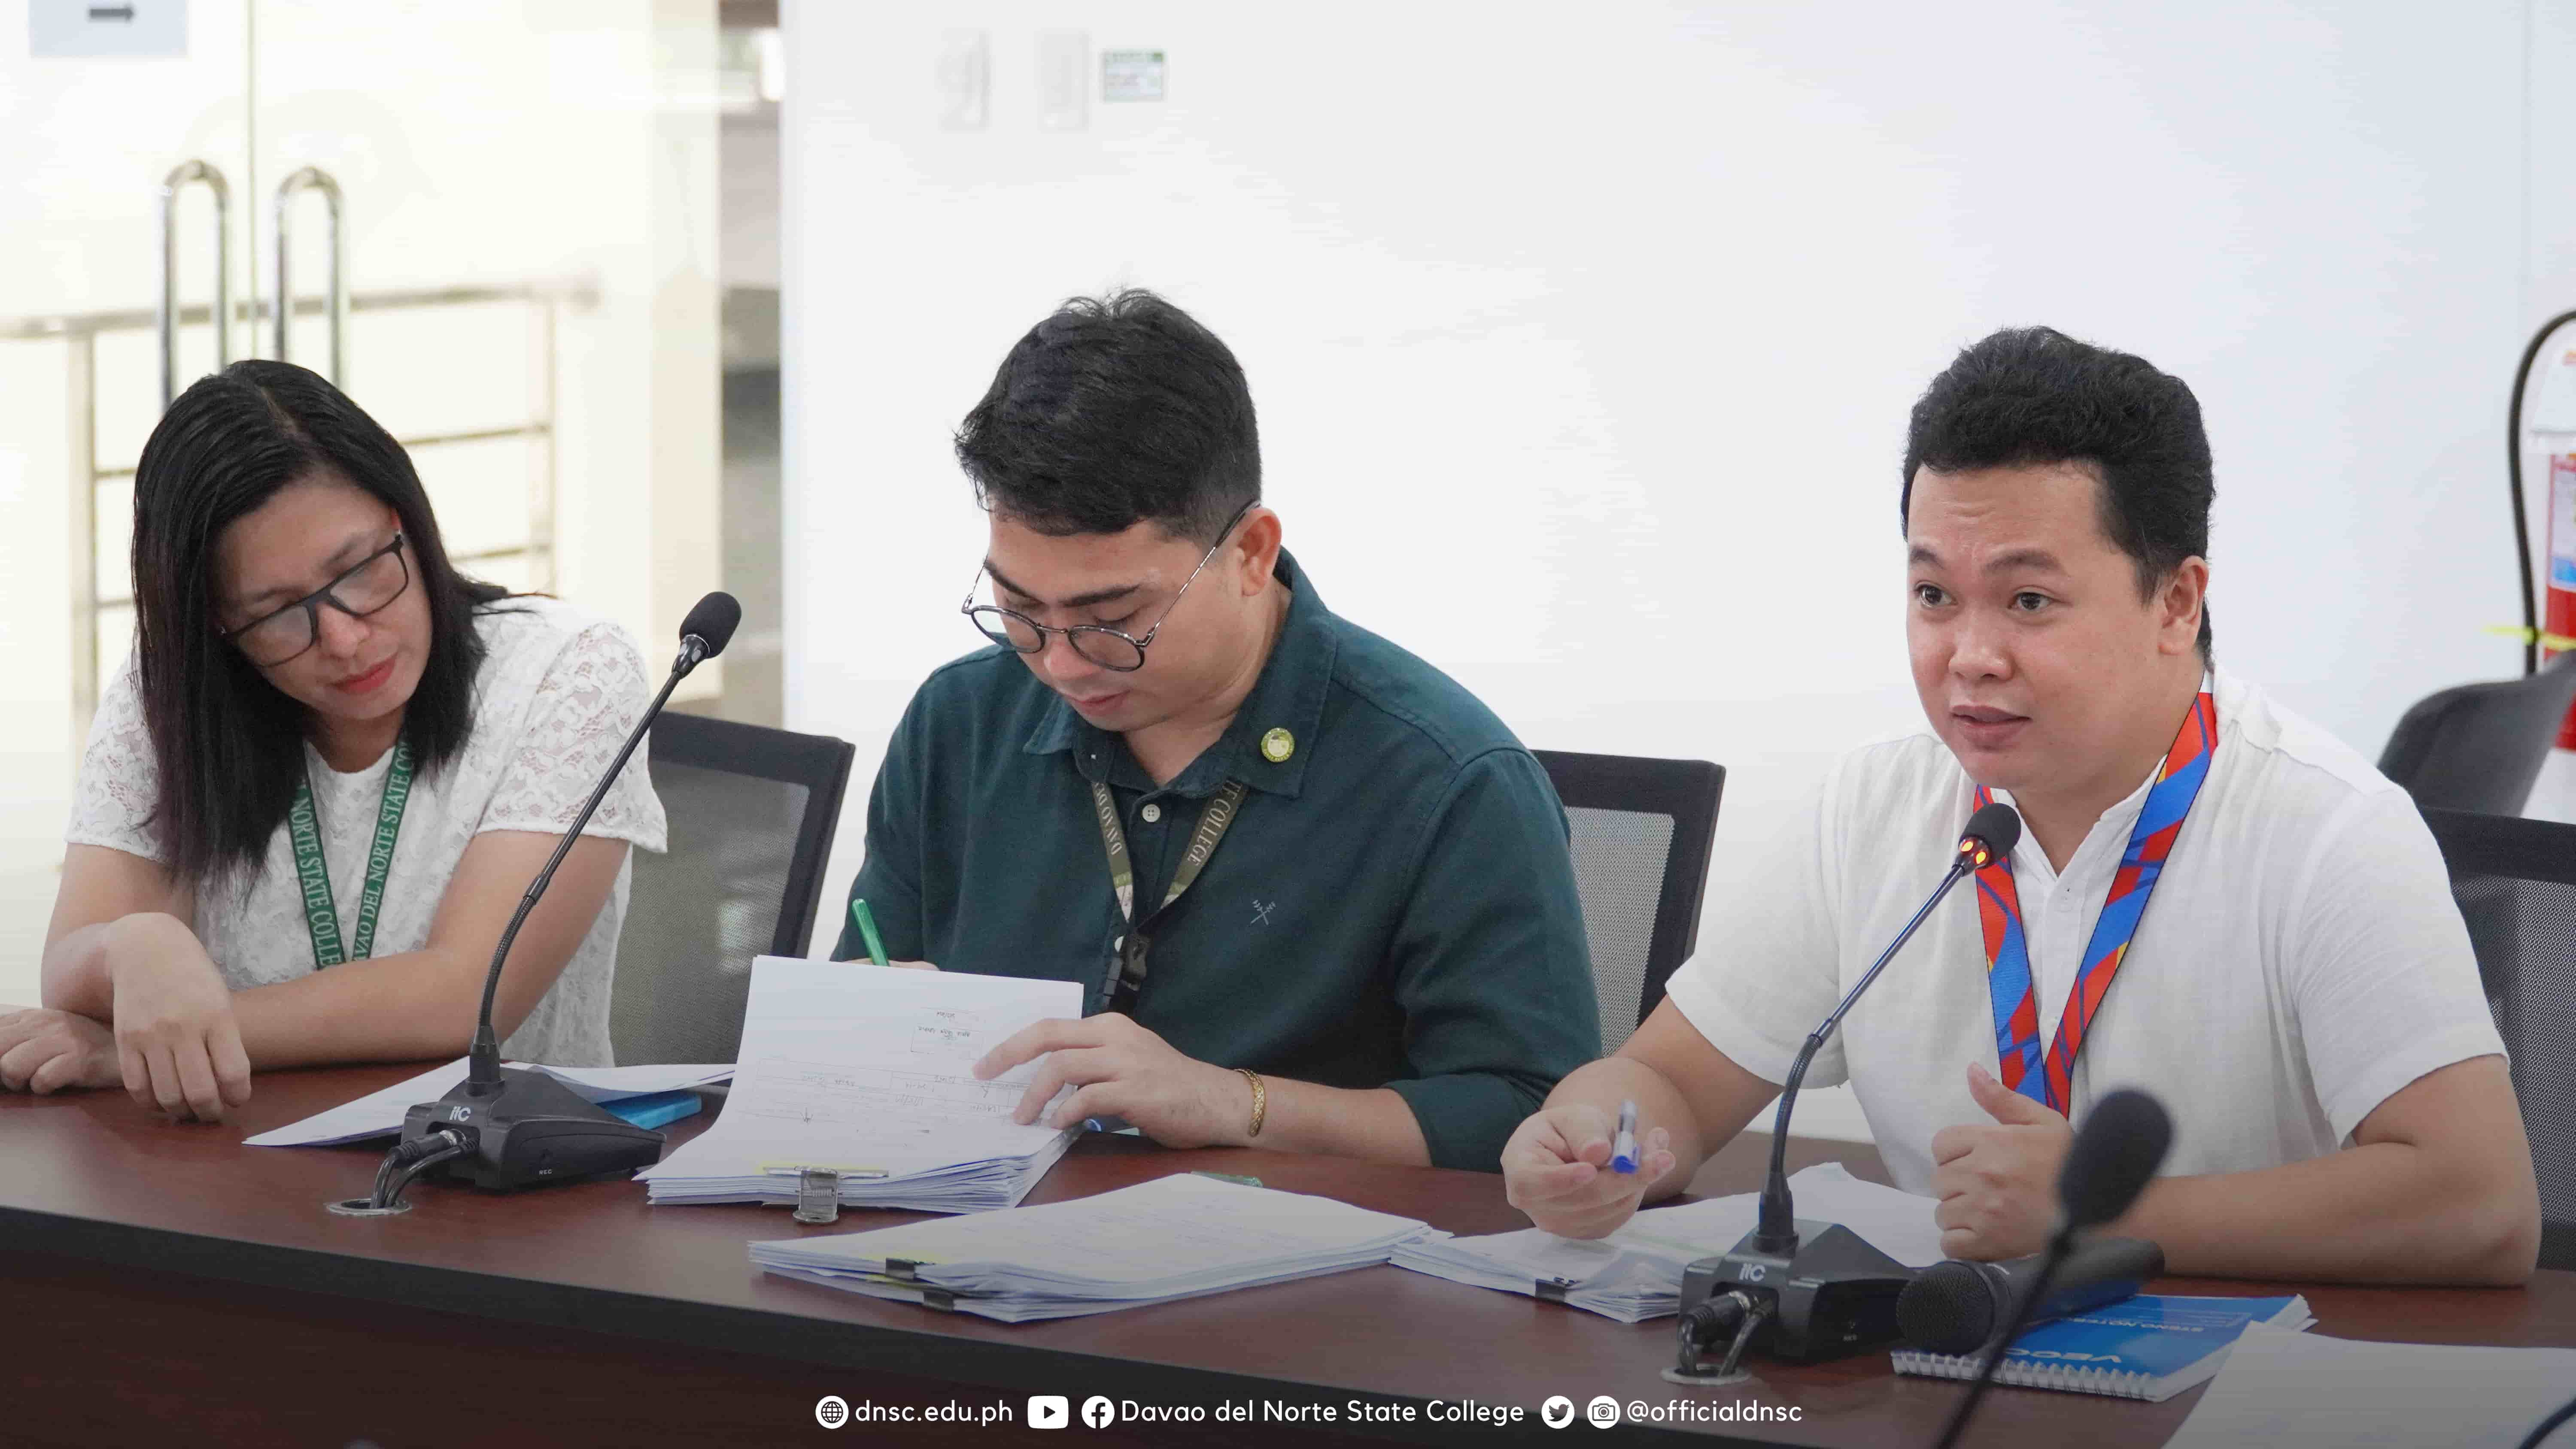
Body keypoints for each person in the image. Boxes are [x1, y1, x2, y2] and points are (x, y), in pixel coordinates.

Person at [1502, 327, 2541, 1283]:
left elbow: (2483, 1202)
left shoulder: (2328, 831)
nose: (1970, 656)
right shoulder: (1877, 805)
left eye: (2029, 600)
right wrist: (1600, 1134)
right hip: (1944, 1372)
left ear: (2176, 601)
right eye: (1933, 596)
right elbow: (1670, 1085)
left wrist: (2097, 1212)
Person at [834, 289, 1599, 1172]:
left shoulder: (1444, 775)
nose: (1062, 664)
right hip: (975, 1254)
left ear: (1251, 552)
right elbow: (874, 966)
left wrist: (1236, 1102)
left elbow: (1529, 1108)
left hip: (1301, 1282)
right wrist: (864, 1027)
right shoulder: (961, 720)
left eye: (1112, 617)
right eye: (1017, 608)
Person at [0, 360, 666, 1123]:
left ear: (405, 521)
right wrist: (131, 944)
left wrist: (131, 1053)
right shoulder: (172, 698)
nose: (345, 639)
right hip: (239, 1169)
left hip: (505, 1181)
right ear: (218, 627)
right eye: (278, 613)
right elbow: (71, 973)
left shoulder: (567, 668)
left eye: (359, 570)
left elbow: (463, 996)